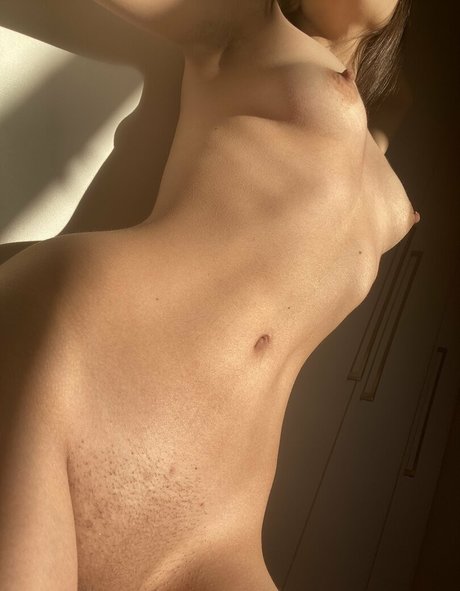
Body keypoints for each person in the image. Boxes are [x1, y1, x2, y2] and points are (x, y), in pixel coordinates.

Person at [0, 1, 420, 589]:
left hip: (219, 527)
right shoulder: (250, 25)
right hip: (82, 364)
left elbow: (392, 96)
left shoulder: (382, 126)